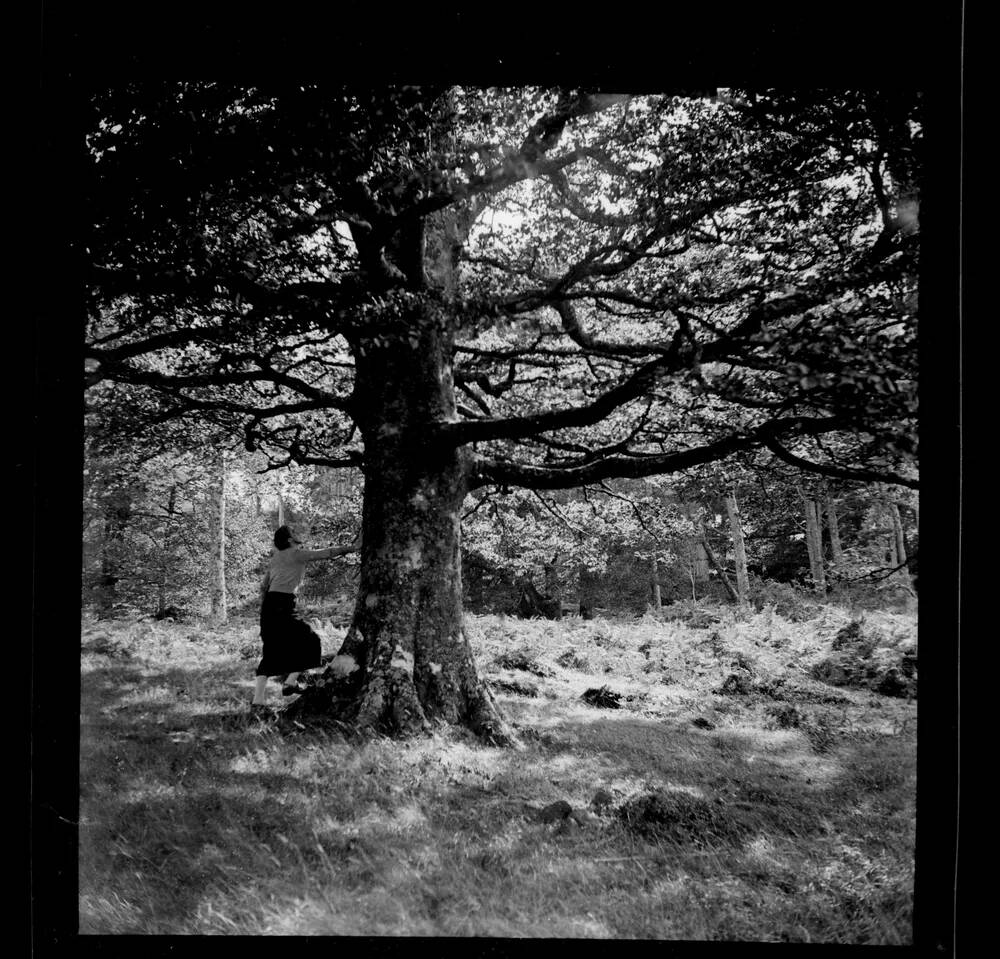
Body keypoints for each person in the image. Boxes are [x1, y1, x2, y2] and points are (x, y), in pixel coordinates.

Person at [250, 524, 359, 713]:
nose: (297, 534)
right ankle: (290, 683)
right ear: (290, 540)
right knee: (311, 640)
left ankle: (258, 702)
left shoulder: (276, 557)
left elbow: (265, 585)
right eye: (294, 533)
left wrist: (266, 606)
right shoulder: (296, 553)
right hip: (282, 604)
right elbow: (327, 553)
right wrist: (353, 547)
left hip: (270, 604)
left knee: (271, 650)